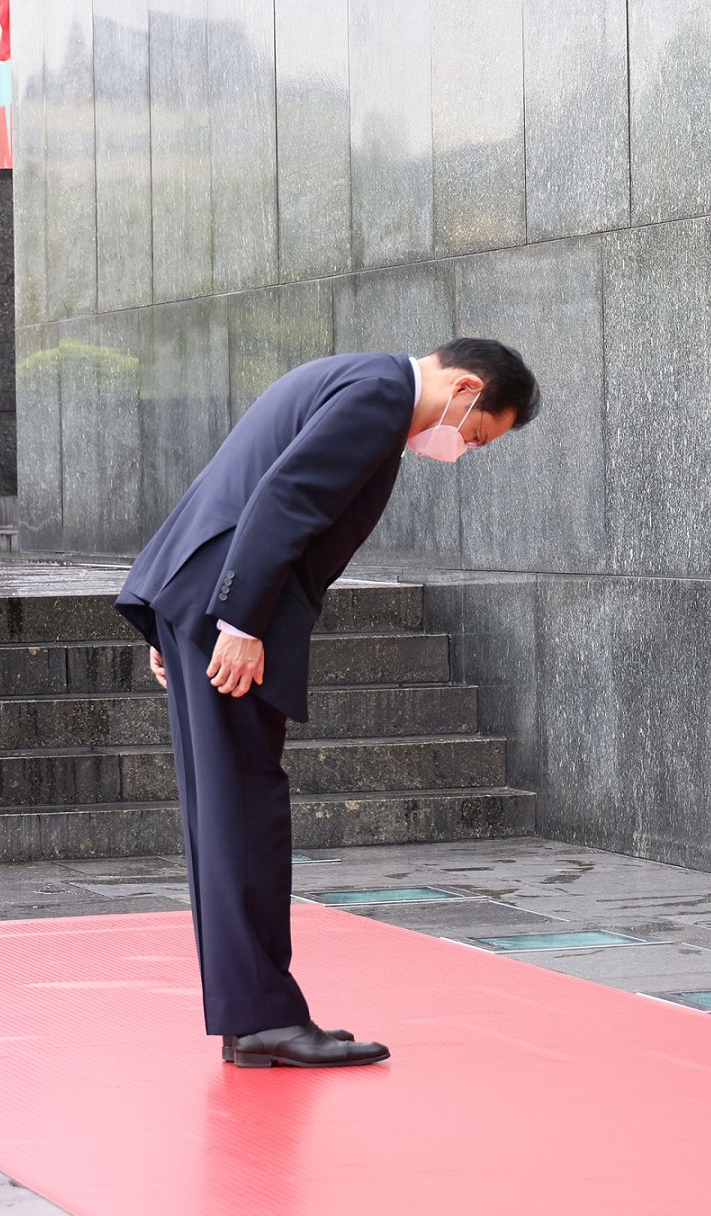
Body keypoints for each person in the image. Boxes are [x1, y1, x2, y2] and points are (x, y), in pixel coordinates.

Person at [116, 338, 539, 1069]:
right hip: (226, 609)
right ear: (466, 387)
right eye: (475, 434)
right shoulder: (379, 396)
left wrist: (175, 610)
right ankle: (263, 1019)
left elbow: (235, 478)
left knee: (226, 814)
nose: (463, 449)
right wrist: (239, 622)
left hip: (199, 595)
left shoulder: (357, 378)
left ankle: (255, 1016)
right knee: (244, 810)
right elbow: (285, 499)